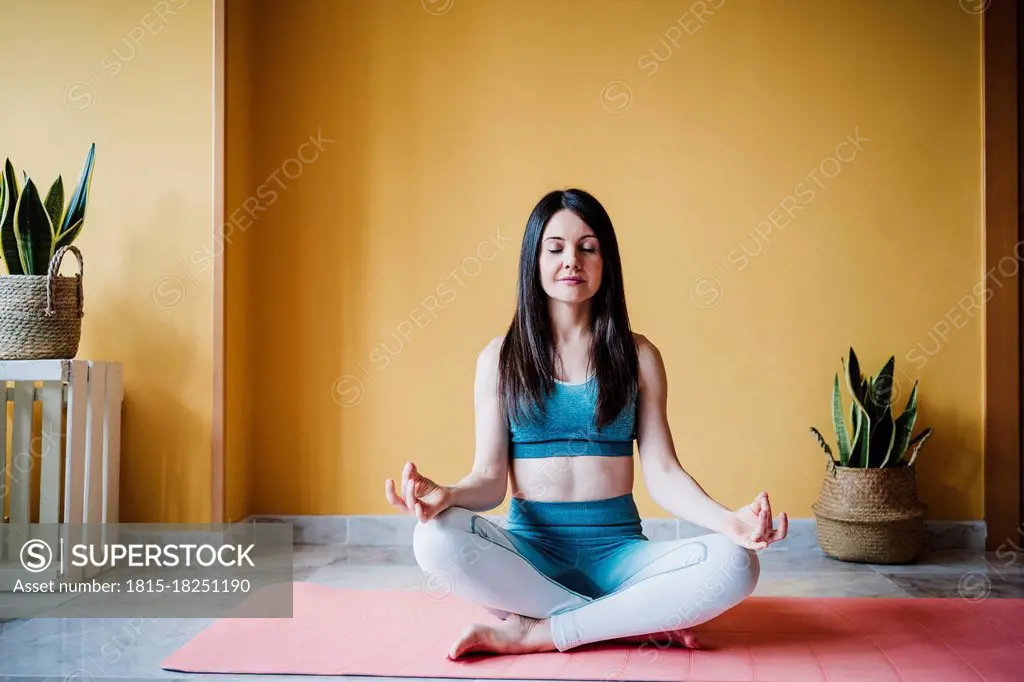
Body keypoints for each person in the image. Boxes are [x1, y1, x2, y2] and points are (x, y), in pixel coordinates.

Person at [384, 188, 787, 660]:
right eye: (554, 249)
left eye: (587, 247)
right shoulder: (499, 358)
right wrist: (447, 495)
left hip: (622, 558)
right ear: (533, 262)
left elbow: (664, 474)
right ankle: (626, 620)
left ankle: (538, 631)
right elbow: (490, 482)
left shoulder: (639, 356)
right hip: (530, 561)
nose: (570, 260)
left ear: (605, 261)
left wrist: (731, 523)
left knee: (738, 564)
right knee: (432, 538)